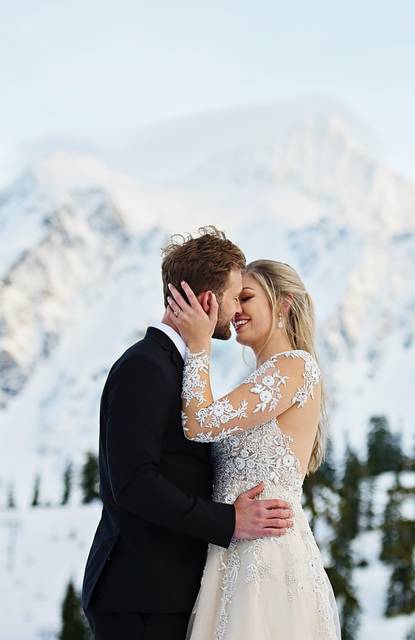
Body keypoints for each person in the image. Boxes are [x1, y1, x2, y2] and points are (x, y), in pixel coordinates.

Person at [81, 227, 296, 639]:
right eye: (234, 297)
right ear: (208, 301)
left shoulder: (177, 368)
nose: (235, 311)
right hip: (140, 597)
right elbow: (134, 482)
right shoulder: (146, 366)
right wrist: (228, 521)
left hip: (165, 595)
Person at [166, 258, 341, 640]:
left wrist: (198, 348)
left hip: (266, 557)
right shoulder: (260, 379)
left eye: (246, 298)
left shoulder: (294, 366)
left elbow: (199, 423)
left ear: (283, 305)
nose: (235, 310)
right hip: (232, 555)